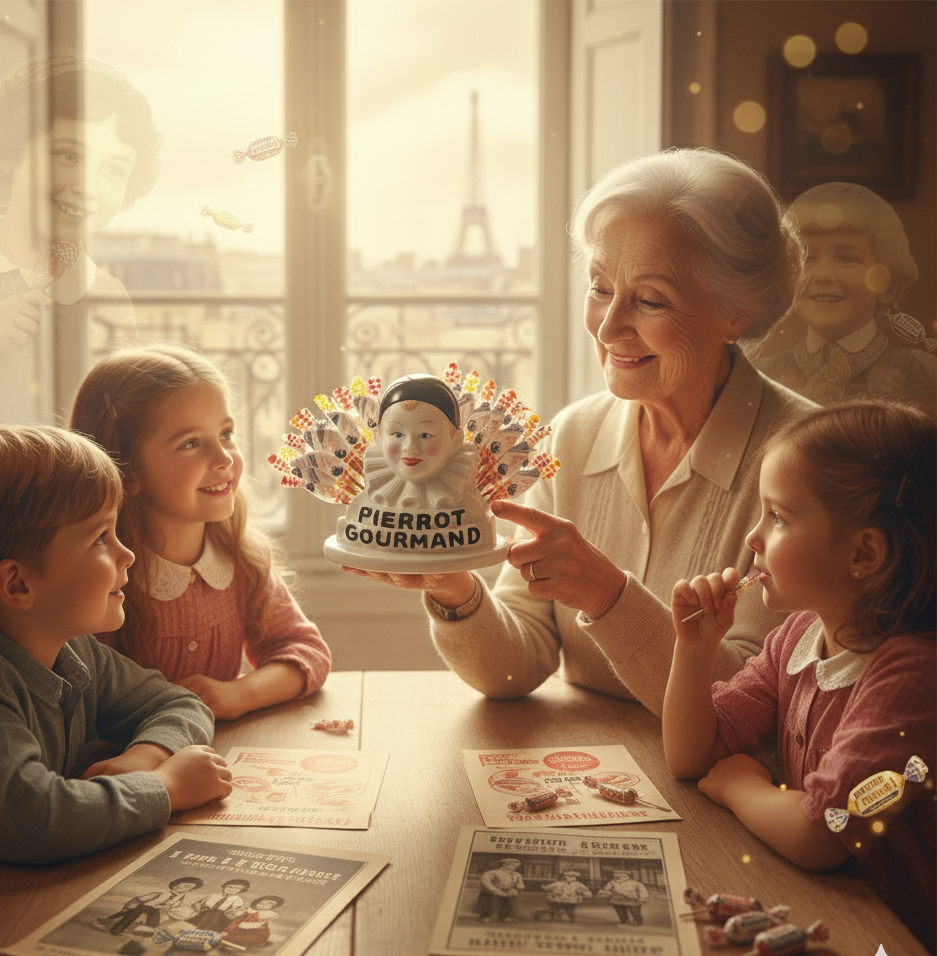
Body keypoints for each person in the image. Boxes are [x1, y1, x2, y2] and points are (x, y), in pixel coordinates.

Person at [344, 148, 813, 713]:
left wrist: (606, 593)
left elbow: (754, 704)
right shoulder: (573, 437)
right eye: (599, 287)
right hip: (583, 764)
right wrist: (455, 589)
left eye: (650, 299)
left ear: (737, 313)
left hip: (722, 791)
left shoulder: (812, 463)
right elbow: (518, 666)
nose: (609, 326)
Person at [0, 424, 233, 955]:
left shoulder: (71, 650)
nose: (127, 555)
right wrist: (166, 788)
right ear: (17, 584)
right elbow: (32, 820)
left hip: (17, 905)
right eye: (100, 538)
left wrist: (146, 755)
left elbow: (176, 702)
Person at [662, 399, 936, 954]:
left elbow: (825, 831)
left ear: (863, 554)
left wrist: (741, 787)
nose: (753, 538)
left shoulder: (912, 677)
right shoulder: (799, 637)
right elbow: (693, 755)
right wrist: (694, 652)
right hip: (837, 917)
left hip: (907, 954)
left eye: (778, 516)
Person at [71, 344, 330, 720]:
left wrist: (239, 693)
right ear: (126, 469)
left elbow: (306, 650)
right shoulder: (102, 576)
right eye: (191, 443)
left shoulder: (240, 559)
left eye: (226, 433)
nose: (224, 458)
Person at [0, 53, 162, 427]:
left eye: (112, 169)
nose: (86, 188)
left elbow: (120, 426)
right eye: (67, 154)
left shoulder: (107, 297)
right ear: (9, 152)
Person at [756, 182, 936, 411]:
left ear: (886, 284)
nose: (823, 276)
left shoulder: (920, 371)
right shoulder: (764, 372)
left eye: (847, 258)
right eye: (807, 257)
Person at [362, 373, 481, 509]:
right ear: (379, 437)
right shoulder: (364, 505)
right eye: (398, 434)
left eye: (425, 435)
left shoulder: (470, 508)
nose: (410, 447)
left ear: (455, 441)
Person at [99, 876, 204, 937]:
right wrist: (130, 906)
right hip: (140, 909)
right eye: (185, 885)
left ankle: (146, 929)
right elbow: (139, 900)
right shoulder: (159, 893)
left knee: (153, 913)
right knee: (141, 908)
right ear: (177, 884)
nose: (186, 888)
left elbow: (175, 909)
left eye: (189, 888)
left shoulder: (180, 899)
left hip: (156, 913)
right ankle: (117, 928)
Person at [220, 895, 285, 950]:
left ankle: (239, 944)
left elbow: (259, 925)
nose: (263, 905)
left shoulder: (267, 914)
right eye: (261, 903)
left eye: (268, 904)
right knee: (228, 934)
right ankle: (228, 942)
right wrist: (227, 930)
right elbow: (236, 922)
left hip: (257, 933)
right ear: (256, 903)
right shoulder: (248, 912)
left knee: (248, 938)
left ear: (273, 907)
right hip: (240, 930)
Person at [474, 858, 525, 923]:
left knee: (509, 903)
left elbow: (520, 885)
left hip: (507, 892)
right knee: (492, 903)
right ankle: (487, 916)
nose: (514, 867)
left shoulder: (517, 875)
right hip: (491, 892)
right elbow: (486, 883)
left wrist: (515, 890)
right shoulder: (493, 873)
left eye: (515, 866)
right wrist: (496, 891)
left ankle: (506, 916)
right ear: (504, 865)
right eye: (511, 865)